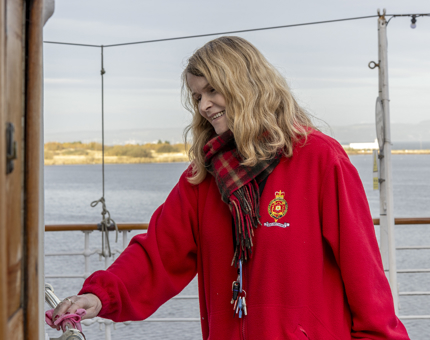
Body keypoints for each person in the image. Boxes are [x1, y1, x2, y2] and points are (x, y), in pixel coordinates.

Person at [50, 36, 410, 339]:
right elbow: (158, 253)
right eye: (196, 96)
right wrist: (98, 297)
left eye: (212, 91)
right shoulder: (204, 176)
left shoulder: (319, 158)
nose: (204, 105)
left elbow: (365, 277)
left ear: (245, 85)